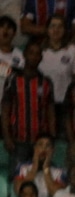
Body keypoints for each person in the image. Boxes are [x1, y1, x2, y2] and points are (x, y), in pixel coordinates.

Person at [2, 38, 56, 166]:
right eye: (31, 52)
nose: (34, 56)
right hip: (18, 139)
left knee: (40, 176)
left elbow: (50, 112)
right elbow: (5, 111)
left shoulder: (46, 82)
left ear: (41, 57)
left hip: (40, 141)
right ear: (24, 55)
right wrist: (7, 137)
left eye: (38, 53)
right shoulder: (13, 80)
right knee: (18, 176)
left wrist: (52, 137)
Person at [39, 14, 75, 129]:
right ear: (47, 29)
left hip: (65, 103)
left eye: (60, 27)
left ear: (65, 30)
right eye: (52, 26)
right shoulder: (39, 50)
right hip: (43, 103)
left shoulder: (72, 50)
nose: (56, 30)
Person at [12, 133, 66, 197]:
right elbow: (18, 191)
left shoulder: (60, 171)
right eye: (40, 145)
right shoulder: (22, 167)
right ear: (35, 148)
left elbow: (57, 195)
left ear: (53, 150)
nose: (43, 149)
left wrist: (46, 168)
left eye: (48, 146)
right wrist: (34, 167)